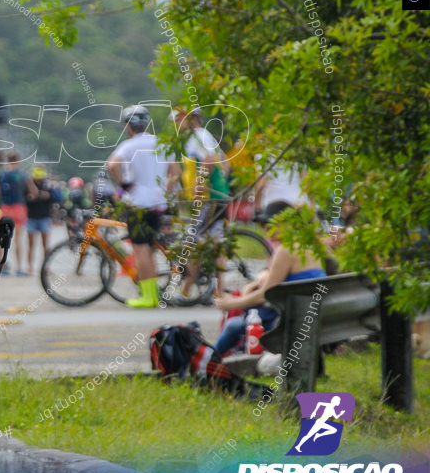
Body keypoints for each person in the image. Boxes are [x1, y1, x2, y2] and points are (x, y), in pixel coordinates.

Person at [212, 201, 326, 358]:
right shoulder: (309, 246)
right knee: (240, 322)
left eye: (270, 224)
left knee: (233, 325)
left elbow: (264, 295)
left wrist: (230, 304)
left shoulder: (286, 250)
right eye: (264, 225)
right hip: (312, 315)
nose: (266, 230)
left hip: (293, 321)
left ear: (287, 224)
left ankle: (205, 364)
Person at [107, 106, 177, 308]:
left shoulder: (129, 145)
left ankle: (148, 297)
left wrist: (123, 184)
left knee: (141, 250)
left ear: (129, 126)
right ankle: (154, 294)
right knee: (150, 248)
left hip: (138, 203)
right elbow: (175, 172)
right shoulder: (162, 143)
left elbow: (112, 165)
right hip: (158, 202)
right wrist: (165, 190)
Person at [177, 108, 232, 296]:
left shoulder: (197, 136)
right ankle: (218, 288)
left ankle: (187, 287)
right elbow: (225, 162)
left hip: (209, 198)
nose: (176, 124)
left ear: (190, 119)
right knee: (214, 242)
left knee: (192, 240)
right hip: (218, 195)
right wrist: (221, 182)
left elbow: (209, 160)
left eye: (178, 120)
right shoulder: (204, 136)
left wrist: (201, 184)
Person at [0, 152, 29, 275]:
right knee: (18, 239)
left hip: (5, 207)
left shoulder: (3, 174)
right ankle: (19, 267)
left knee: (3, 238)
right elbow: (31, 190)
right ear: (18, 160)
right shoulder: (22, 175)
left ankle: (2, 265)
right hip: (19, 207)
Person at [25, 167, 53, 274]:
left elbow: (53, 199)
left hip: (44, 217)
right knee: (31, 244)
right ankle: (29, 267)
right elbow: (25, 199)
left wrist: (48, 196)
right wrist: (30, 197)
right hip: (31, 217)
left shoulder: (48, 186)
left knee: (45, 245)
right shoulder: (28, 186)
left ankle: (46, 267)